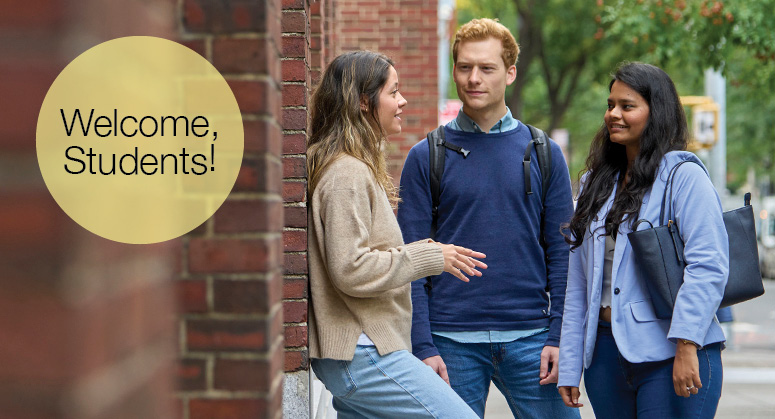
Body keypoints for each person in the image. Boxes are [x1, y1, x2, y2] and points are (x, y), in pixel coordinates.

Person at [397, 18, 579, 418]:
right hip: (450, 342)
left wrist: (560, 335)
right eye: (464, 67)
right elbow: (410, 260)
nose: (473, 78)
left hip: (532, 338)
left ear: (510, 73)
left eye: (486, 68)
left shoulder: (543, 152)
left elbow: (564, 255)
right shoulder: (427, 156)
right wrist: (422, 345)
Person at [307, 50, 486, 418]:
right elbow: (350, 267)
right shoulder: (346, 174)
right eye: (393, 92)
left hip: (359, 352)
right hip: (362, 352)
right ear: (363, 102)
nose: (402, 101)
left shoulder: (351, 168)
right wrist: (429, 257)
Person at [557, 62, 728, 419]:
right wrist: (571, 361)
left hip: (672, 353)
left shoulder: (684, 177)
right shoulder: (595, 183)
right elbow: (579, 283)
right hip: (604, 358)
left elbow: (707, 266)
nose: (613, 114)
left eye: (627, 106)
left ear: (656, 113)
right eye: (610, 105)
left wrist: (686, 345)